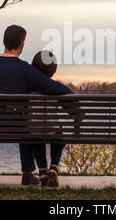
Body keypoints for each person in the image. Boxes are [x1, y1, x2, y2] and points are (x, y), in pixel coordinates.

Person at [0, 25, 73, 186]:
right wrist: (74, 98)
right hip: (18, 129)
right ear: (22, 44)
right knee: (25, 123)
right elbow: (53, 87)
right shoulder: (25, 69)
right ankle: (27, 174)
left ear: (4, 41)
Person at [30, 50, 71, 187]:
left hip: (34, 131)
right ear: (53, 69)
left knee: (35, 136)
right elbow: (70, 107)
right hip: (52, 130)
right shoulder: (56, 88)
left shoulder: (30, 88)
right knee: (59, 133)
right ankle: (53, 166)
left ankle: (42, 170)